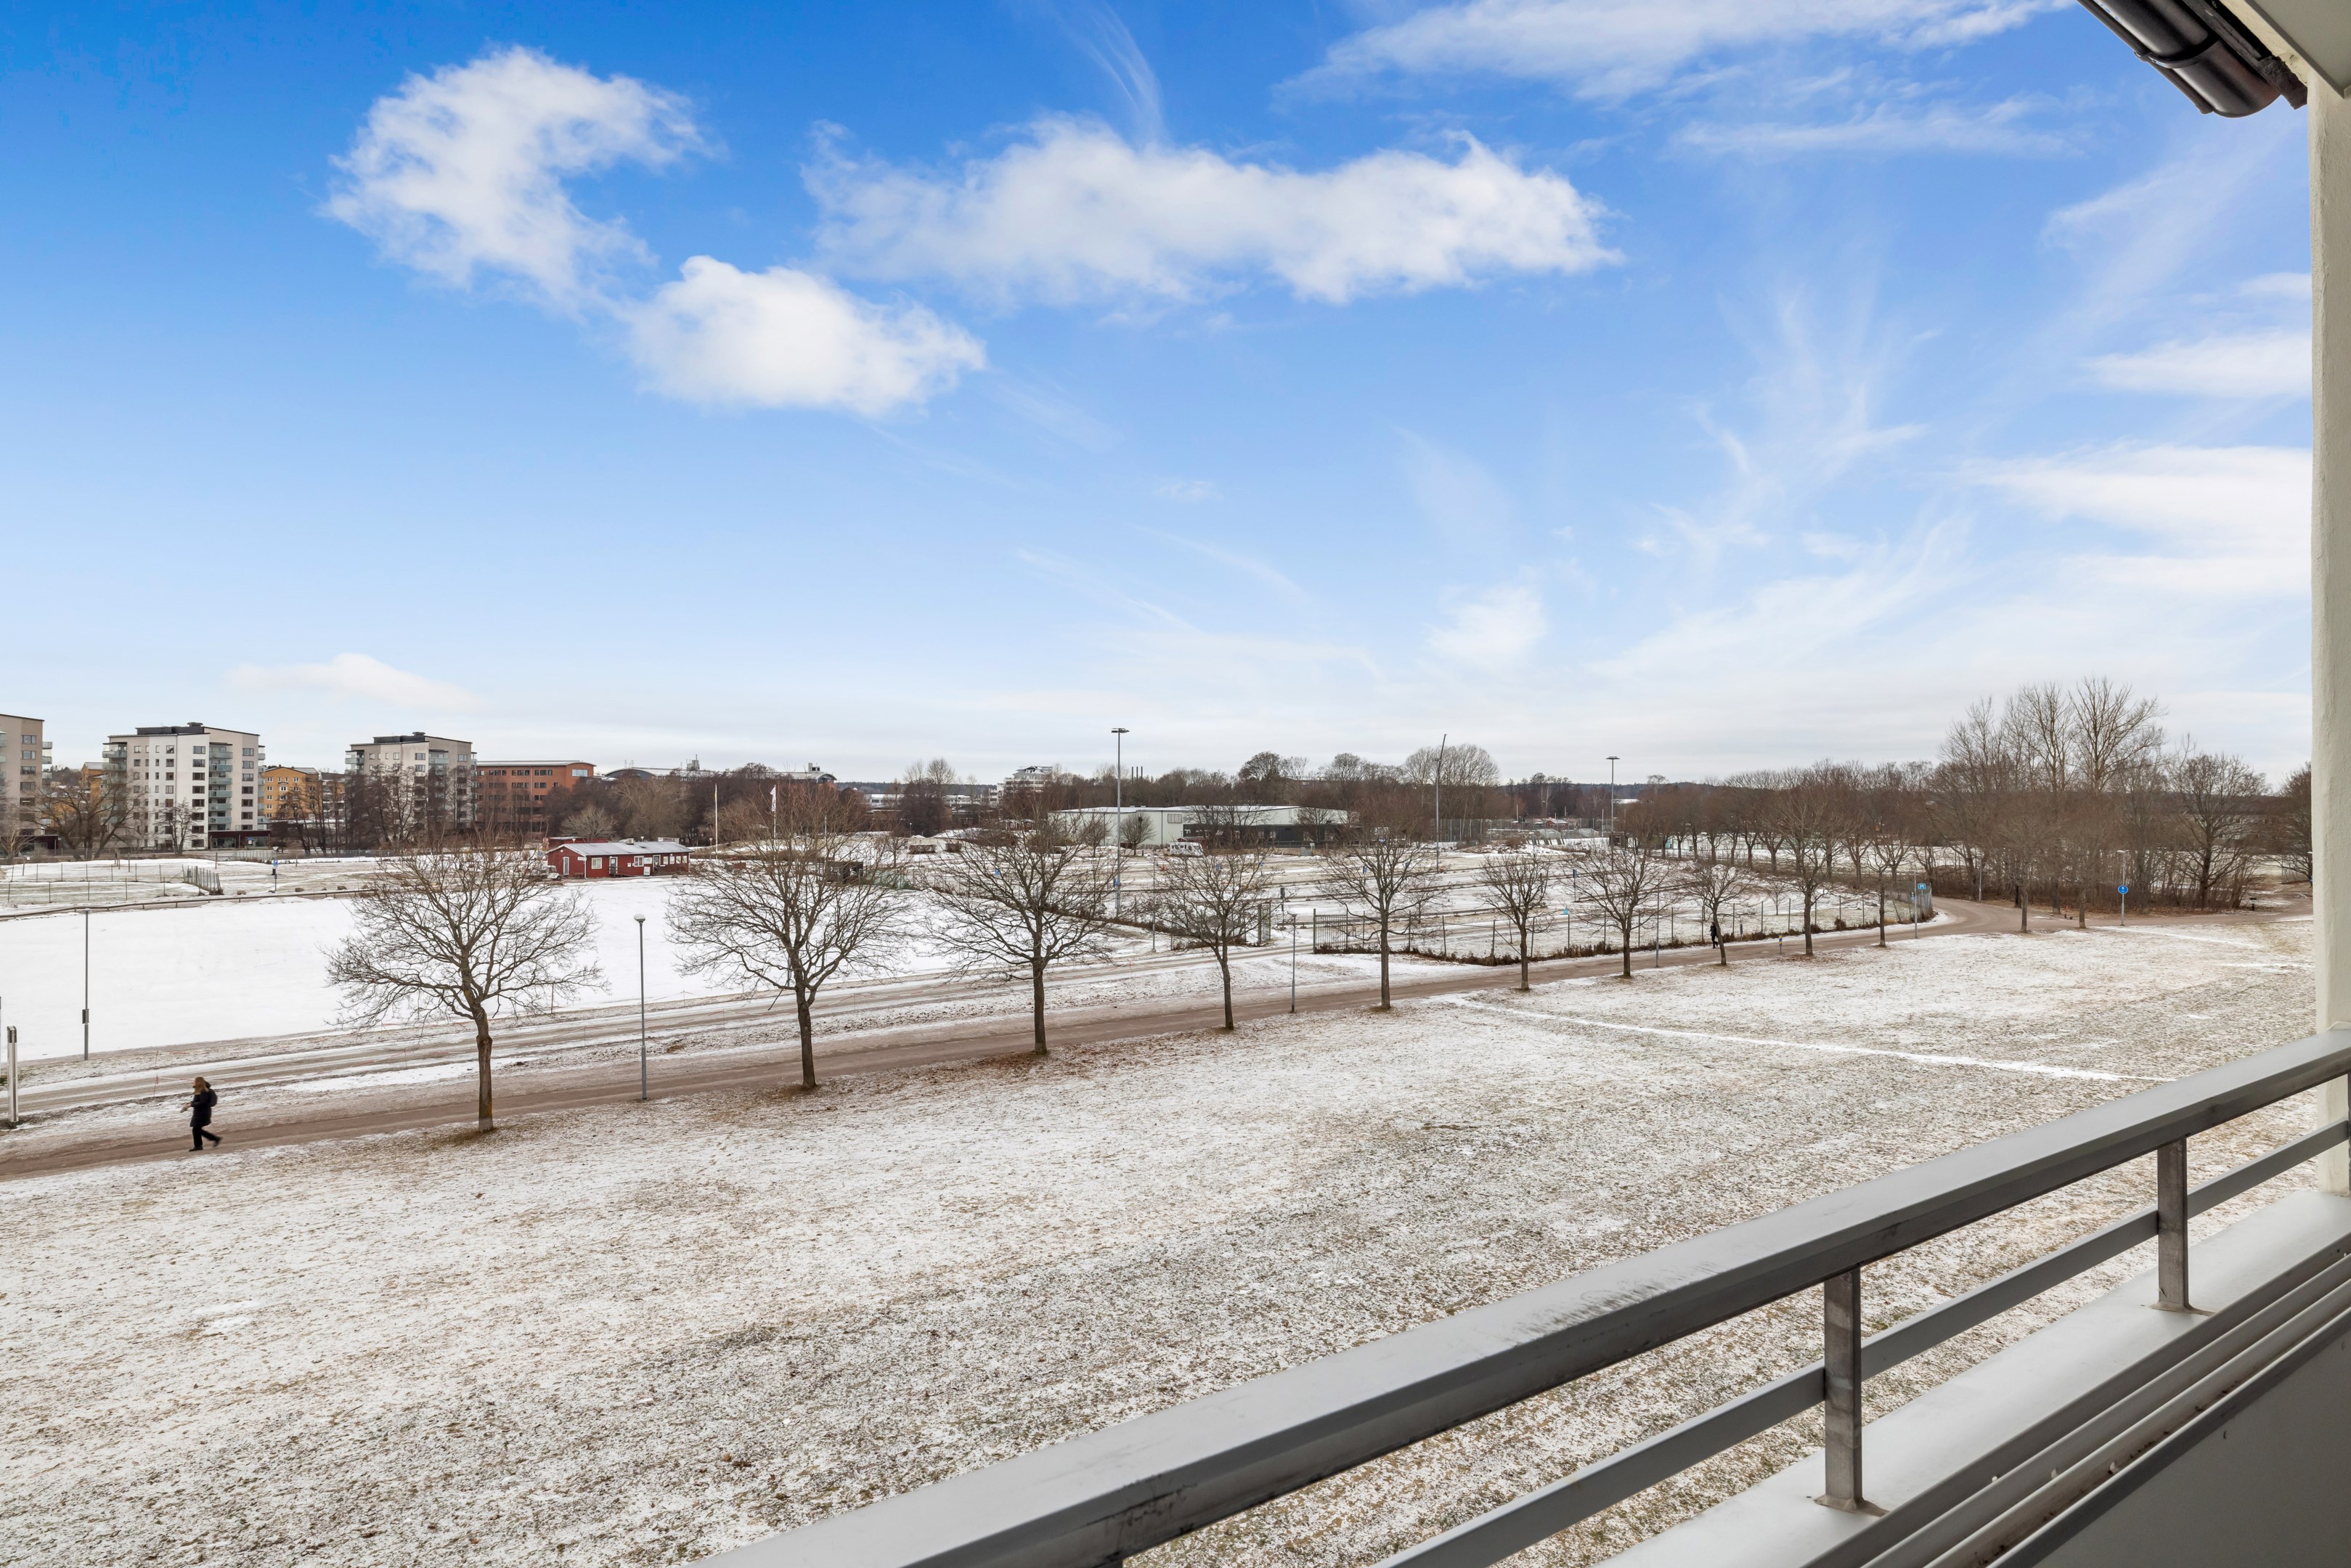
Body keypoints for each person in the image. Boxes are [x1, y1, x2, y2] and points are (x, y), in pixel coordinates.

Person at [186, 1076, 220, 1151]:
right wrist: (191, 1104)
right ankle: (214, 1139)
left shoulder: (203, 1091)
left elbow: (203, 1102)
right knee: (197, 1129)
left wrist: (192, 1105)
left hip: (203, 1113)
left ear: (198, 1082)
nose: (193, 1082)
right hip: (200, 1113)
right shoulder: (200, 1090)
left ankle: (199, 1146)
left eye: (194, 1081)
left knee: (196, 1129)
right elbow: (200, 1101)